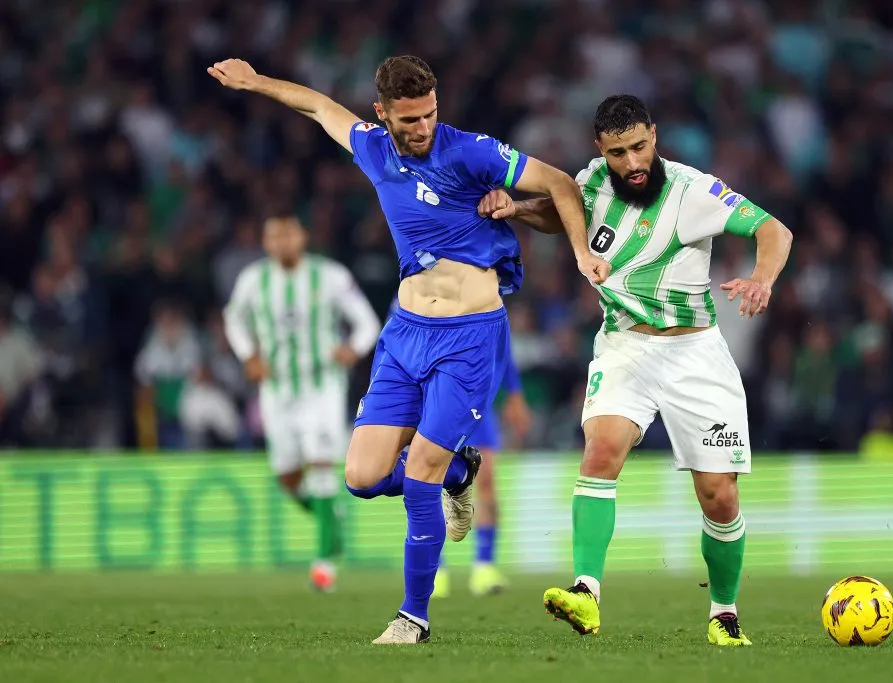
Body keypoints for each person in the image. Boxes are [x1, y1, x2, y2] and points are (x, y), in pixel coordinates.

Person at [208, 55, 608, 644]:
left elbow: (561, 184)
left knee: (418, 474)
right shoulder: (373, 150)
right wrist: (255, 82)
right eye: (409, 119)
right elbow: (317, 106)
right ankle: (458, 471)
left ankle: (412, 617)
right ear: (382, 114)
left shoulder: (470, 151)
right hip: (404, 334)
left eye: (429, 114)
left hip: (468, 335)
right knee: (361, 476)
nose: (422, 127)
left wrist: (579, 253)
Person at [477, 95, 793, 646]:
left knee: (719, 496)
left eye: (639, 147)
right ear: (601, 149)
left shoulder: (693, 191)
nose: (632, 162)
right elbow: (565, 214)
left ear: (655, 135)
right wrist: (518, 209)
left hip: (695, 353)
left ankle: (724, 614)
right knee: (600, 451)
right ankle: (586, 591)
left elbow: (775, 231)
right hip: (624, 345)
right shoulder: (593, 181)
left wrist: (761, 278)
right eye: (618, 153)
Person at [223, 213, 381, 592]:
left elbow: (367, 322)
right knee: (288, 477)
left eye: (288, 234)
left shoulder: (330, 276)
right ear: (265, 242)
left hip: (322, 386)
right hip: (276, 390)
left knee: (322, 463)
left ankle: (324, 566)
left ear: (302, 237)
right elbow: (233, 319)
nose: (282, 242)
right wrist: (248, 355)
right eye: (274, 236)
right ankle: (332, 522)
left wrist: (353, 349)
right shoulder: (253, 280)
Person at [433, 351, 531, 598]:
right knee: (430, 481)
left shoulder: (490, 322)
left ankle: (484, 567)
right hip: (438, 399)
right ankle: (434, 569)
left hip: (477, 402)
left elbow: (502, 347)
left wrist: (515, 394)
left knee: (485, 480)